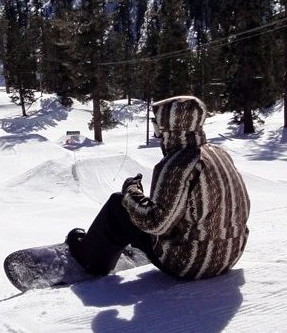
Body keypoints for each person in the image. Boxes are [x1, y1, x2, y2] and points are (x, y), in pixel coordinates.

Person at [66, 96, 250, 280]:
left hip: (190, 263)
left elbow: (157, 224)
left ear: (169, 129)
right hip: (230, 255)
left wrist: (130, 193)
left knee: (117, 205)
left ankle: (89, 259)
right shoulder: (219, 153)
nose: (158, 135)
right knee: (137, 207)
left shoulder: (176, 165)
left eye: (157, 128)